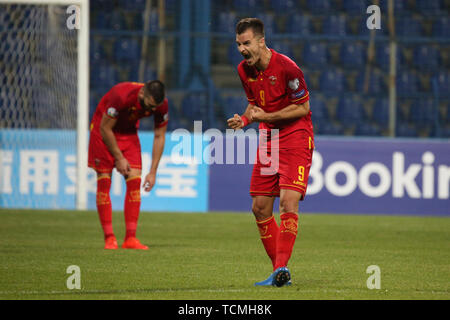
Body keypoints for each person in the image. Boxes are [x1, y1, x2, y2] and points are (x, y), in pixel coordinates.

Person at [227, 18, 314, 287]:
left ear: (261, 41)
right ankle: (280, 271)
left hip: (296, 136)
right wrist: (244, 119)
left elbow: (303, 108)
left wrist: (268, 115)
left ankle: (279, 271)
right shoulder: (244, 70)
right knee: (260, 206)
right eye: (239, 44)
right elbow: (254, 106)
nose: (242, 49)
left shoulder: (288, 68)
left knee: (289, 202)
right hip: (269, 138)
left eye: (247, 43)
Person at [88, 81, 168, 250]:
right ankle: (109, 238)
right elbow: (105, 128)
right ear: (142, 95)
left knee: (134, 181)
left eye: (155, 107)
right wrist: (119, 157)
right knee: (104, 182)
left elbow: (160, 136)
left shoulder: (161, 105)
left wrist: (153, 172)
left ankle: (130, 238)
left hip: (128, 133)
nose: (152, 111)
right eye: (149, 105)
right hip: (103, 131)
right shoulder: (121, 95)